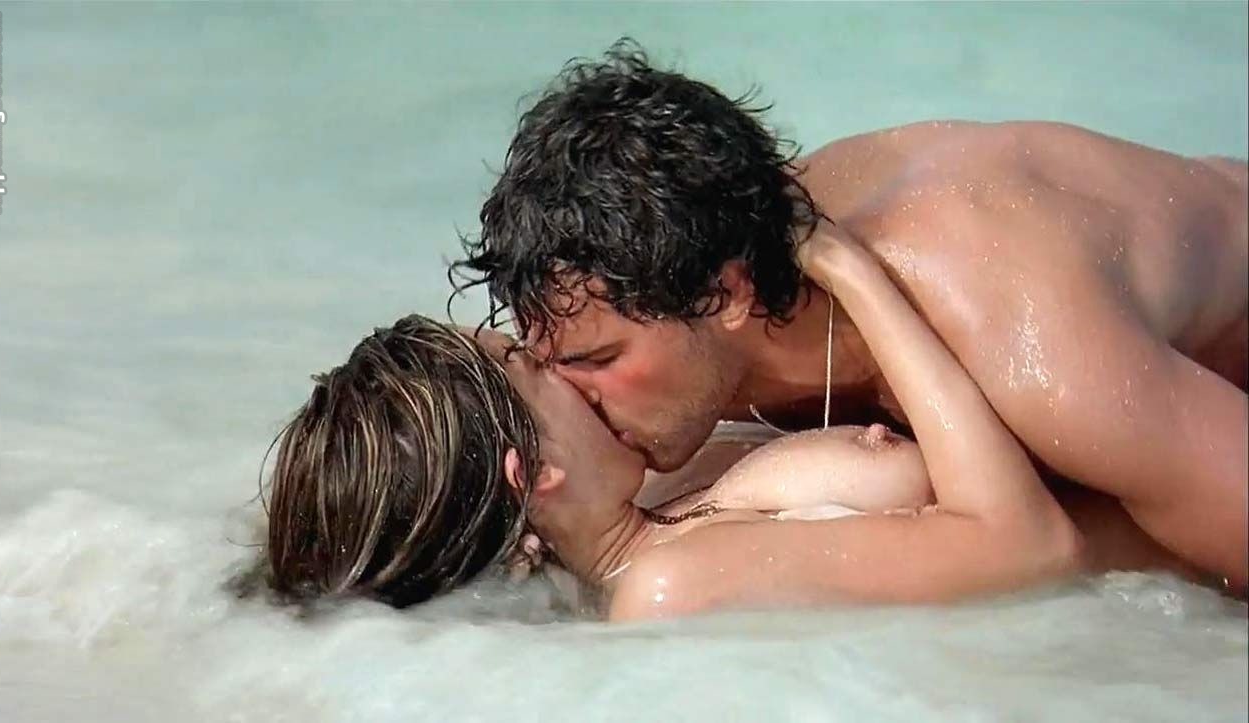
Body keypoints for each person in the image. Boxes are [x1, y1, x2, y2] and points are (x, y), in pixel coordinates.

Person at [452, 42, 1249, 596]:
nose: (573, 395)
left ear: (728, 295)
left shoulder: (1018, 339)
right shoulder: (695, 265)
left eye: (597, 360)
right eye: (547, 359)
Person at [262, 231, 1186, 619]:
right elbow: (1030, 544)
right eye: (532, 364)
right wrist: (850, 268)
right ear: (531, 473)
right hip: (1191, 575)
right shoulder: (667, 585)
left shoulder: (662, 486)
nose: (555, 353)